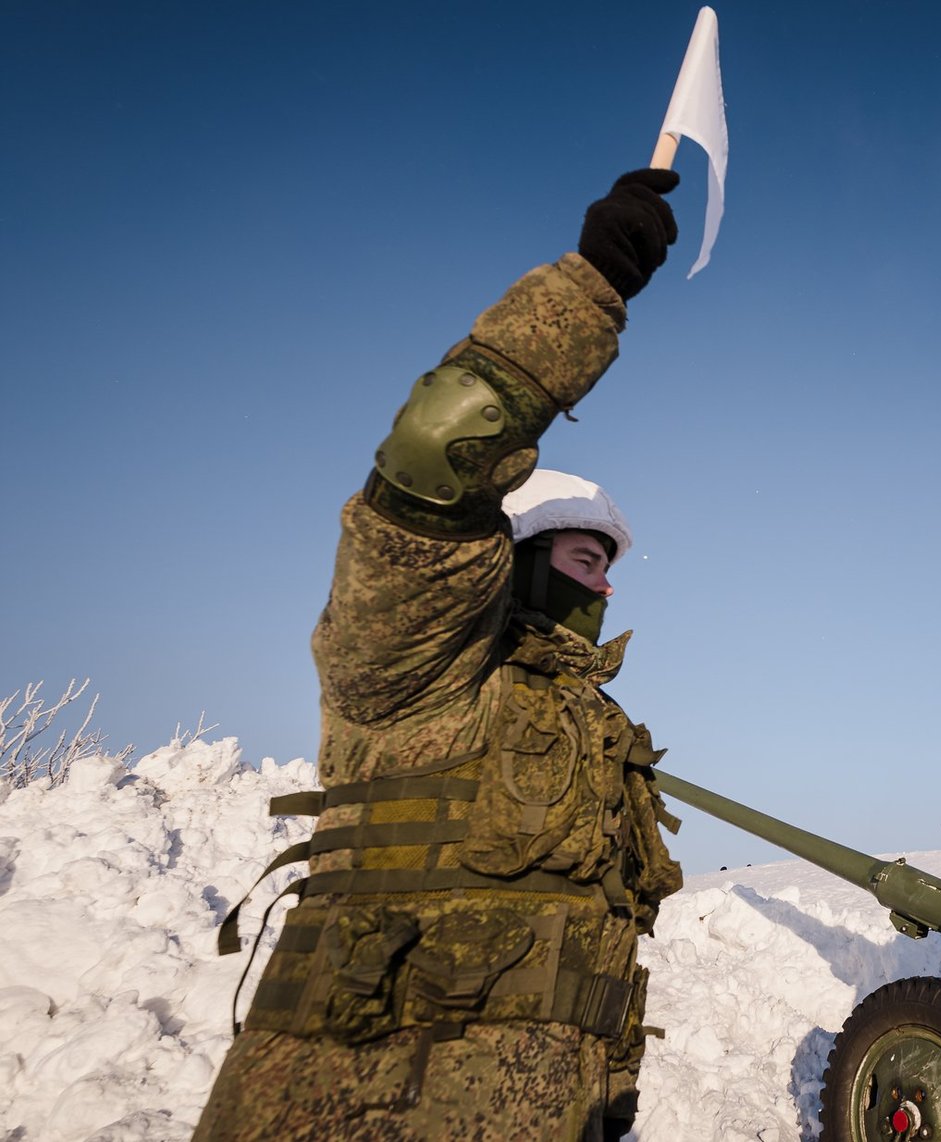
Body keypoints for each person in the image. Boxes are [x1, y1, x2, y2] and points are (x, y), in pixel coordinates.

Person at [194, 167, 686, 1141]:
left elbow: (591, 957)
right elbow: (432, 453)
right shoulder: (418, 672)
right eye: (589, 559)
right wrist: (589, 289)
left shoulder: (594, 732)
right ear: (521, 552)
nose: (607, 590)